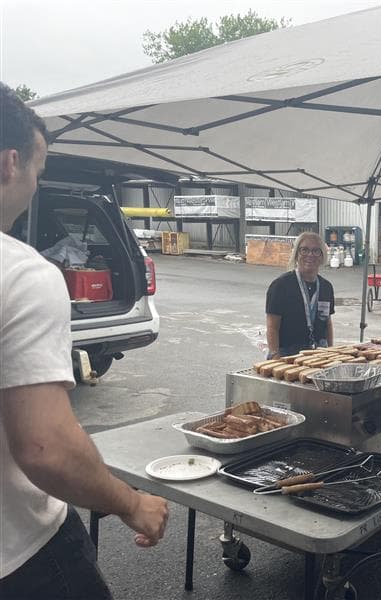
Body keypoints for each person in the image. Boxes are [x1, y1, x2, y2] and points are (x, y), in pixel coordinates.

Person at [0, 81, 169, 599]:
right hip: (19, 557)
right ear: (11, 163)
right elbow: (46, 448)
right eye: (39, 170)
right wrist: (132, 503)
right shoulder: (21, 273)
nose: (35, 186)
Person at [265, 231, 334, 358]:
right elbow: (272, 327)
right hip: (288, 355)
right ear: (296, 254)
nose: (310, 255)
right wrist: (274, 355)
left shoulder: (326, 287)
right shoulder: (280, 286)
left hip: (319, 355)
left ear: (322, 256)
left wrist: (331, 352)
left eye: (316, 251)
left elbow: (328, 323)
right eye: (304, 250)